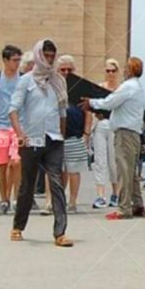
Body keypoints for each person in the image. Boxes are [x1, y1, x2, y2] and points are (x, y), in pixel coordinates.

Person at [8, 40, 73, 246]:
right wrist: (19, 133)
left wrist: (62, 136)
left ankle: (60, 233)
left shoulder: (58, 81)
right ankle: (18, 226)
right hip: (31, 139)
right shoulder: (26, 81)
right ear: (38, 55)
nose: (50, 59)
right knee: (27, 185)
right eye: (46, 55)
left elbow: (63, 111)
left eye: (52, 55)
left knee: (56, 184)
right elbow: (13, 109)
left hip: (53, 139)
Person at [84, 58, 145, 220]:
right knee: (131, 172)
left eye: (125, 67)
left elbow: (110, 102)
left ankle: (124, 208)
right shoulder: (138, 87)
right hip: (133, 133)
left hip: (124, 134)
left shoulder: (128, 87)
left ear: (130, 70)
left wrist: (91, 102)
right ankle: (138, 205)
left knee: (124, 171)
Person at [0, 44, 23, 214]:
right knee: (1, 164)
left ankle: (16, 198)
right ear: (5, 60)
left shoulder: (23, 79)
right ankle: (3, 199)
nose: (17, 63)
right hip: (0, 126)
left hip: (18, 127)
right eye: (14, 60)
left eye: (19, 60)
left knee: (16, 162)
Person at [56, 55, 89, 213]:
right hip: (56, 135)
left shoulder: (79, 87)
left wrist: (86, 133)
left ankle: (73, 201)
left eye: (70, 69)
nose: (66, 72)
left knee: (74, 170)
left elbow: (88, 111)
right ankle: (58, 200)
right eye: (63, 70)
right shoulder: (52, 86)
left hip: (75, 135)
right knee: (58, 170)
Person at [91, 59, 120, 209]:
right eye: (107, 71)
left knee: (113, 162)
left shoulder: (121, 89)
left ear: (117, 72)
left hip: (114, 127)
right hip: (100, 125)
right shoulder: (99, 88)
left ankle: (116, 193)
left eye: (113, 71)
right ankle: (100, 195)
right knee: (100, 161)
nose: (110, 74)